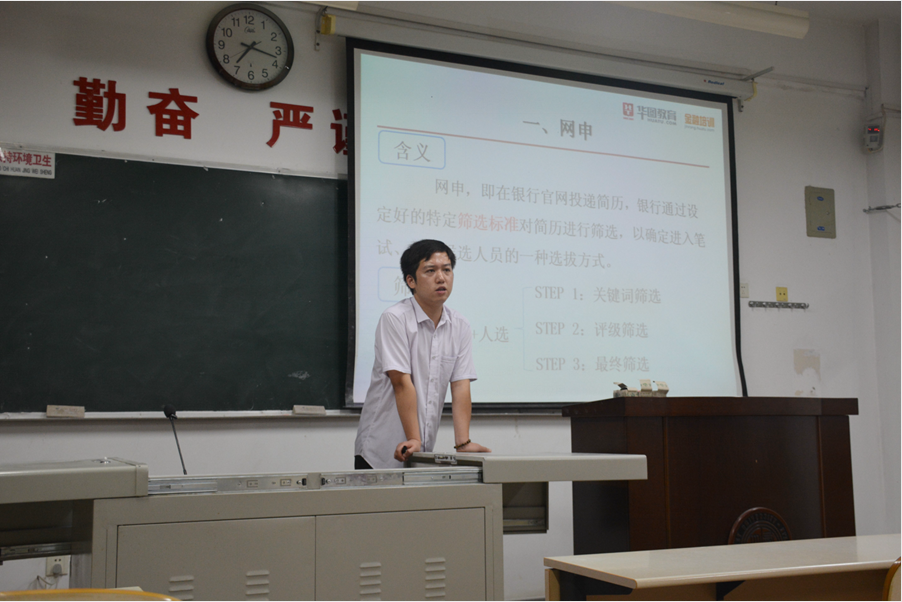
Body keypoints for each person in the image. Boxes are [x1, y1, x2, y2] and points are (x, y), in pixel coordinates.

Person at [354, 239, 491, 469]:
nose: (441, 278)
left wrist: (463, 443)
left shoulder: (460, 325)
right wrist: (414, 438)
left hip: (420, 453)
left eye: (447, 270)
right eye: (430, 271)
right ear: (411, 281)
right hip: (380, 451)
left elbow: (460, 384)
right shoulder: (395, 318)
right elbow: (401, 383)